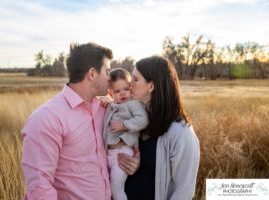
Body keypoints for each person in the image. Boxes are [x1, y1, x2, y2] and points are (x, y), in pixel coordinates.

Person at [21, 42, 139, 200]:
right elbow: (39, 188)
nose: (110, 78)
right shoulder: (46, 118)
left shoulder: (106, 110)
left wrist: (134, 161)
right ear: (92, 74)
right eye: (107, 71)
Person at [117, 56, 200, 200]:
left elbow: (184, 191)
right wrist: (135, 166)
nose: (130, 83)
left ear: (151, 86)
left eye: (135, 79)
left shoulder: (181, 133)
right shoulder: (136, 119)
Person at [102, 68, 148, 200]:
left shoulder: (133, 104)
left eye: (126, 89)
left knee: (116, 188)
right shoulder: (112, 105)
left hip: (124, 153)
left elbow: (143, 120)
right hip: (108, 154)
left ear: (131, 88)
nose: (122, 93)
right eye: (117, 91)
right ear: (111, 93)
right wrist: (106, 101)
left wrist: (124, 125)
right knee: (107, 189)